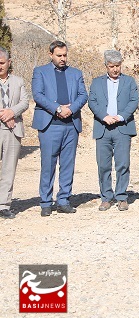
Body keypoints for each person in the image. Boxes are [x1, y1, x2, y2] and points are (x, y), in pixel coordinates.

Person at [32, 40, 88, 217]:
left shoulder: (75, 73)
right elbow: (38, 95)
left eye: (65, 55)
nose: (63, 58)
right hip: (50, 125)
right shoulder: (40, 72)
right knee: (48, 164)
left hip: (71, 125)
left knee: (67, 165)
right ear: (51, 55)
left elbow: (83, 95)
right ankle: (46, 202)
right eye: (59, 55)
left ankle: (63, 200)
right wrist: (57, 108)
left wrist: (70, 109)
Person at [88, 50, 139, 212]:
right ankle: (106, 197)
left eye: (117, 66)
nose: (115, 69)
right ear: (106, 66)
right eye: (111, 66)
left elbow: (133, 101)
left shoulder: (130, 82)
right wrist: (104, 116)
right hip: (103, 128)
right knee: (103, 165)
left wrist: (121, 116)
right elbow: (92, 102)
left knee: (123, 164)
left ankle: (122, 197)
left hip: (122, 128)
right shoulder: (96, 82)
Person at [0, 47, 29, 219]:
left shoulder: (18, 81)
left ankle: (3, 204)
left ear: (9, 63)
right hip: (4, 123)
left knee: (8, 169)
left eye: (2, 63)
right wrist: (4, 115)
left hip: (13, 129)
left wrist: (12, 112)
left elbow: (25, 102)